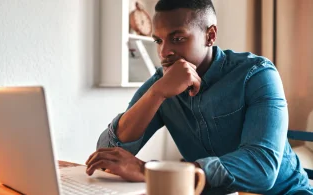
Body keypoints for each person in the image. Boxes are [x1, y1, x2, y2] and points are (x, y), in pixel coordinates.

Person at [85, 0, 313, 194]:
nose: (164, 53)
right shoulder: (162, 83)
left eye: (177, 38)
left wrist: (149, 171)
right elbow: (107, 151)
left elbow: (261, 168)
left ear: (210, 35)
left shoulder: (257, 74)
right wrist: (156, 94)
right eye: (158, 40)